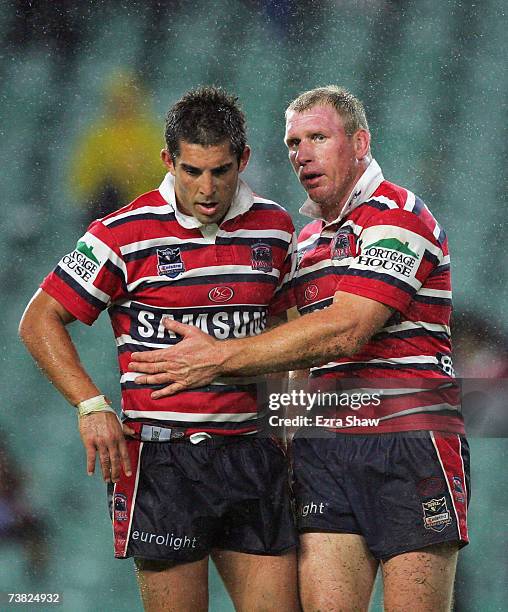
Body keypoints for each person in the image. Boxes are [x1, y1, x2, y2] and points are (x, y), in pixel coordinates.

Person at [128, 86, 470, 611]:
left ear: (360, 143)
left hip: (408, 438)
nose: (301, 153)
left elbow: (348, 329)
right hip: (324, 444)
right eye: (292, 142)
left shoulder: (399, 216)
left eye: (317, 137)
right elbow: (294, 352)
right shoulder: (304, 244)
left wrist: (217, 356)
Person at [19, 86, 300, 612]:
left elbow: (286, 326)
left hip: (252, 454)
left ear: (244, 159)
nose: (207, 187)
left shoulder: (277, 229)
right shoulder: (121, 232)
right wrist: (91, 404)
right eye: (192, 171)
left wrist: (288, 417)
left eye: (220, 170)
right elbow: (39, 320)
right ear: (168, 160)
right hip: (163, 459)